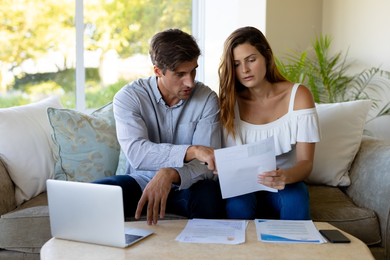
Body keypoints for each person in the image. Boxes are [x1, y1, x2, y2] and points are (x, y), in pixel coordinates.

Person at [95, 29, 224, 225]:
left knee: (209, 194)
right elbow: (138, 153)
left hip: (187, 184)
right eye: (180, 74)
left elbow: (208, 165)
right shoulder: (129, 97)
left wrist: (171, 174)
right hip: (141, 182)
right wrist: (192, 150)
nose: (190, 81)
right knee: (95, 196)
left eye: (193, 70)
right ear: (157, 71)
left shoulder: (206, 98)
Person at [218, 26, 320, 220]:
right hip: (243, 184)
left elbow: (306, 163)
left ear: (266, 56)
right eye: (237, 64)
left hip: (286, 182)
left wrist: (285, 177)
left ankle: (295, 251)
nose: (245, 70)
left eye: (251, 60)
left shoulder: (298, 95)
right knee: (238, 206)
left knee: (296, 201)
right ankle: (240, 251)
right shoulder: (229, 102)